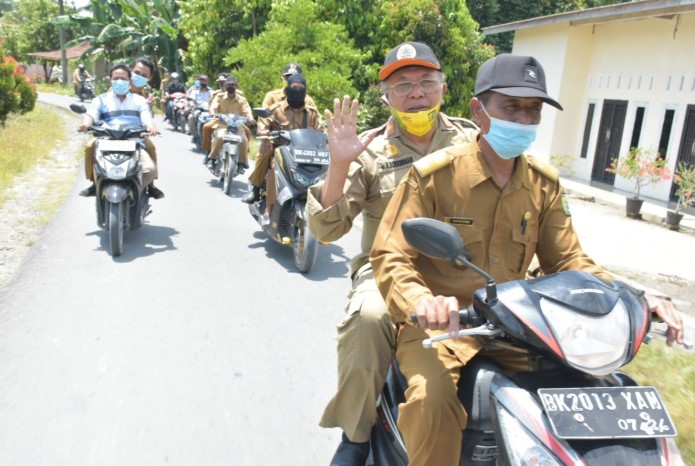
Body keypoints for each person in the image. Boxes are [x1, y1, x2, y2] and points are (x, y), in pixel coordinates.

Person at [369, 53, 686, 466]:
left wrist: (638, 295)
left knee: (597, 391)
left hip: (519, 330)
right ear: (478, 111)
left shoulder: (542, 184)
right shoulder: (434, 176)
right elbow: (391, 254)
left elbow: (570, 261)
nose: (522, 119)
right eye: (511, 107)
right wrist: (422, 302)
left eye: (532, 110)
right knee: (433, 401)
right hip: (444, 329)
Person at [308, 41, 478, 466]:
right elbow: (326, 228)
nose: (416, 92)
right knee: (367, 320)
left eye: (426, 81)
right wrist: (339, 165)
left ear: (443, 87)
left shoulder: (474, 142)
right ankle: (357, 433)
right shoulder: (368, 149)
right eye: (403, 84)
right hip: (385, 269)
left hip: (462, 269)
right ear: (385, 96)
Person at [241, 73, 321, 209]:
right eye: (294, 88)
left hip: (304, 153)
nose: (297, 91)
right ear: (287, 88)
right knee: (272, 168)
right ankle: (267, 205)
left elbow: (321, 131)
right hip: (281, 152)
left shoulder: (312, 112)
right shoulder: (275, 109)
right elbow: (263, 123)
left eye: (301, 88)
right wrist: (265, 135)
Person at [77, 64, 159, 196]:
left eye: (123, 78)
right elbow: (92, 113)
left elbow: (147, 117)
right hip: (107, 139)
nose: (119, 81)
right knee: (89, 147)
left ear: (129, 80)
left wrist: (151, 126)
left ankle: (146, 187)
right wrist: (86, 124)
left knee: (149, 169)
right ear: (110, 80)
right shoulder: (101, 99)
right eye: (116, 78)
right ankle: (94, 183)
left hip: (133, 140)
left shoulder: (140, 100)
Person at [204, 75, 255, 173]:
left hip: (237, 125)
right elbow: (214, 106)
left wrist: (251, 117)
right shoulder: (219, 96)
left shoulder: (241, 99)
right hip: (222, 124)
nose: (231, 87)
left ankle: (241, 162)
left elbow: (247, 109)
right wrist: (212, 112)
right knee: (219, 137)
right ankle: (211, 158)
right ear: (225, 86)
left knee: (244, 139)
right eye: (228, 85)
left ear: (236, 86)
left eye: (233, 85)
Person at [130, 57, 164, 199]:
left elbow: (149, 119)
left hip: (137, 135)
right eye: (137, 72)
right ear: (130, 71)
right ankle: (95, 183)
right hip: (114, 134)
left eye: (144, 75)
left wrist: (148, 106)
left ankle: (151, 185)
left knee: (151, 148)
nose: (139, 76)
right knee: (91, 147)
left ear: (149, 78)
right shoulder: (117, 87)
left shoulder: (147, 95)